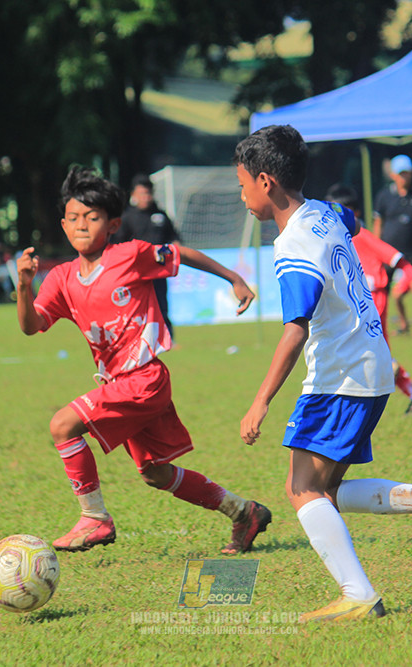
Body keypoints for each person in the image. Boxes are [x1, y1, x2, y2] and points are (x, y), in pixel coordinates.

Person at [235, 125, 412, 623]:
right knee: (325, 491)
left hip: (339, 377)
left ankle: (358, 594)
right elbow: (351, 224)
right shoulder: (323, 212)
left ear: (266, 182)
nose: (241, 195)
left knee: (301, 491)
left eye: (242, 184)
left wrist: (259, 401)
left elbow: (295, 330)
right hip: (373, 365)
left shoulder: (294, 245)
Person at [16, 166, 271, 555]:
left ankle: (95, 519)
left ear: (113, 223)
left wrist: (232, 276)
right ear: (63, 225)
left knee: (62, 425)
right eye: (73, 218)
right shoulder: (62, 278)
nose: (81, 225)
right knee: (156, 473)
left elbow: (178, 254)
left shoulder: (129, 256)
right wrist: (23, 286)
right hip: (119, 383)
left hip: (144, 379)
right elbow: (31, 326)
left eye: (92, 217)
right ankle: (243, 511)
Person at [325, 183, 412, 415]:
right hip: (360, 302)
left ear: (355, 213)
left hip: (372, 300)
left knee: (366, 353)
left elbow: (394, 256)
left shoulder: (361, 234)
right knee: (372, 352)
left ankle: (387, 373)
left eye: (342, 211)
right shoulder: (337, 237)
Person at [373, 154, 412, 337]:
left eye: (407, 173)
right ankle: (377, 326)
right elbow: (378, 224)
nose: (404, 177)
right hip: (388, 252)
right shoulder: (384, 196)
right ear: (393, 175)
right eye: (401, 173)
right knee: (381, 289)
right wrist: (375, 250)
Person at [115, 174, 181, 338]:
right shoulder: (127, 218)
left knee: (161, 304)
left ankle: (167, 339)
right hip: (135, 273)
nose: (146, 197)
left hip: (158, 270)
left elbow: (174, 239)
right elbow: (118, 245)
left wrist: (173, 251)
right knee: (135, 307)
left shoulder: (160, 215)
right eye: (142, 193)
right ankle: (135, 339)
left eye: (148, 193)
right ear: (134, 195)